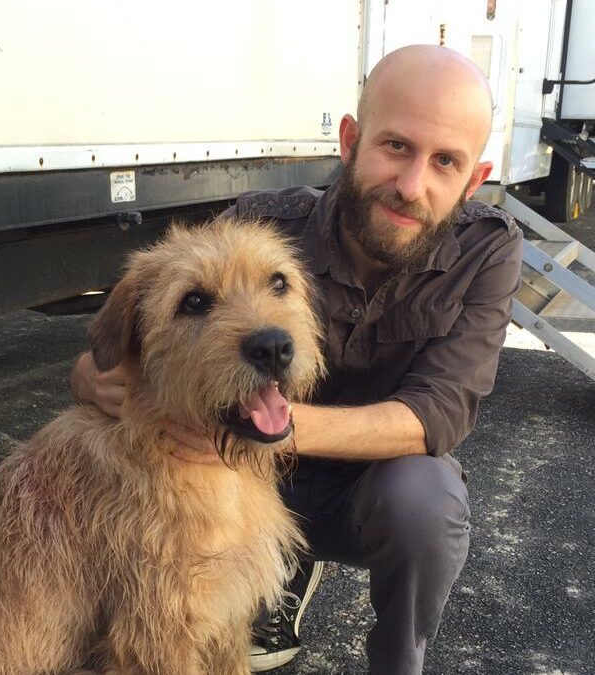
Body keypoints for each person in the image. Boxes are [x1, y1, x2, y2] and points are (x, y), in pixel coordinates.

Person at [71, 45, 523, 674]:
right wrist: (92, 378)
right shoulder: (258, 227)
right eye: (396, 146)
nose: (411, 185)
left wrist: (275, 426)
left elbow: (437, 414)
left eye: (445, 161)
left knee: (427, 497)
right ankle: (268, 575)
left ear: (474, 180)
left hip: (349, 489)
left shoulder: (487, 251)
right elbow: (141, 331)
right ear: (351, 140)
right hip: (240, 474)